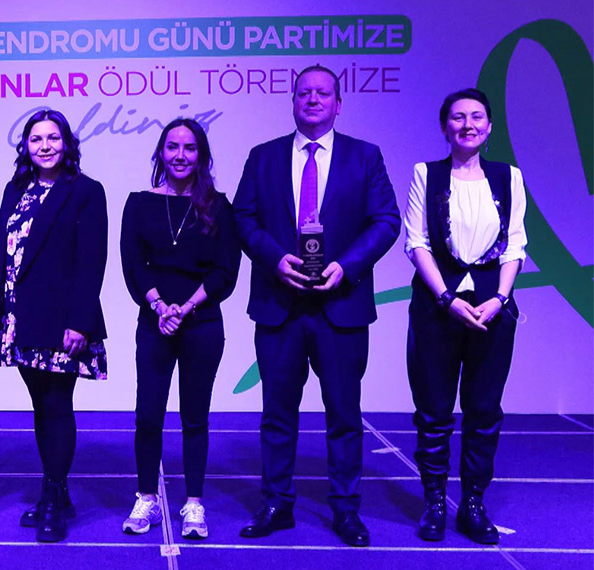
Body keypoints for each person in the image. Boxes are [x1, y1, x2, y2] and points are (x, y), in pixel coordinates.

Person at [232, 65, 400, 547]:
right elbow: (243, 217)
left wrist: (346, 266)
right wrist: (273, 259)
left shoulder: (365, 156)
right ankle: (276, 504)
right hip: (279, 305)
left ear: (338, 104)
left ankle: (346, 509)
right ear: (292, 101)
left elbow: (386, 221)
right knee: (277, 413)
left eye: (322, 93)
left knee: (344, 414)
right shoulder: (262, 156)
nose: (312, 99)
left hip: (341, 306)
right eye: (303, 92)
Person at [404, 88, 526, 545]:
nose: (467, 125)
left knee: (484, 411)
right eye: (458, 117)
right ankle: (435, 502)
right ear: (445, 127)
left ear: (489, 127)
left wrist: (499, 299)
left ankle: (473, 503)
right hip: (438, 310)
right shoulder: (426, 174)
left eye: (477, 117)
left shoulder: (509, 177)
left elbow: (515, 244)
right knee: (434, 412)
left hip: (492, 311)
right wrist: (446, 298)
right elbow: (416, 242)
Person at [0, 109, 108, 543]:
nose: (44, 146)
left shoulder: (86, 191)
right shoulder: (15, 188)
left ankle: (54, 497)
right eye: (36, 139)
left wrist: (80, 322)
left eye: (53, 138)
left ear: (66, 143)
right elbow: (4, 256)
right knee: (41, 406)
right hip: (19, 317)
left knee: (57, 405)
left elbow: (92, 261)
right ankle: (56, 489)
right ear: (25, 146)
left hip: (62, 321)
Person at [118, 118, 241, 539]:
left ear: (201, 155)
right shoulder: (139, 203)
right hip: (154, 323)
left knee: (195, 417)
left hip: (201, 324)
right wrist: (158, 305)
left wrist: (186, 307)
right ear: (160, 153)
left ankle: (193, 504)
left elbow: (226, 271)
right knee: (148, 415)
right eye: (172, 147)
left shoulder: (219, 207)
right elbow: (133, 264)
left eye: (189, 148)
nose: (180, 155)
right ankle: (146, 498)